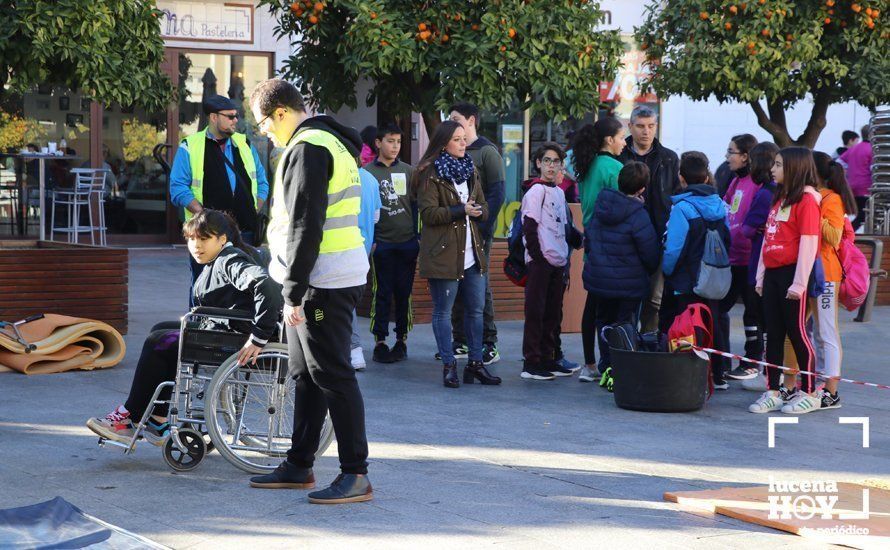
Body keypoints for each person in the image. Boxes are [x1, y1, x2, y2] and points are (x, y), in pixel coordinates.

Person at [247, 78, 373, 504]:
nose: (263, 131)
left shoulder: (309, 148)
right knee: (306, 375)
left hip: (324, 282)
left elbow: (306, 225)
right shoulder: (327, 143)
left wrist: (293, 291)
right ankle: (299, 465)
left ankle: (356, 473)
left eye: (263, 122)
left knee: (332, 373)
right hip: (323, 276)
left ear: (281, 112)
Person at [86, 210, 281, 446]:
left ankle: (130, 416)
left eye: (204, 239)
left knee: (158, 341)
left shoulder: (229, 260)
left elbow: (265, 284)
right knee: (161, 331)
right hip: (225, 331)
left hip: (234, 339)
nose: (196, 246)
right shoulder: (230, 255)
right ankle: (158, 420)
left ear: (222, 239)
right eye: (191, 239)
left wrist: (259, 336)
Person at [415, 120, 500, 388]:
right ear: (443, 143)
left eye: (464, 139)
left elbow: (484, 206)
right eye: (458, 140)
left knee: (476, 310)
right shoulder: (430, 173)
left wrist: (477, 211)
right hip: (444, 254)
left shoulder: (470, 169)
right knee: (444, 312)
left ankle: (475, 364)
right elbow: (428, 214)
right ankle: (449, 365)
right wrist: (460, 210)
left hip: (472, 253)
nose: (464, 144)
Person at [169, 94, 270, 306]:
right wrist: (204, 215)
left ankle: (240, 331)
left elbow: (262, 183)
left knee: (245, 286)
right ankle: (199, 328)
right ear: (214, 117)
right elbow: (177, 187)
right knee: (204, 284)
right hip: (207, 233)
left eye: (237, 116)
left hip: (244, 231)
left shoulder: (245, 144)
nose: (236, 120)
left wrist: (253, 208)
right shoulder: (191, 145)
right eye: (230, 116)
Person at [749, 147, 822, 414]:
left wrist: (800, 282)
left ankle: (811, 392)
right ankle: (773, 390)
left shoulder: (807, 200)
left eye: (778, 165)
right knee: (774, 334)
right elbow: (768, 238)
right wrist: (760, 275)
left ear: (793, 168)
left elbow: (809, 243)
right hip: (772, 275)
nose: (773, 169)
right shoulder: (778, 198)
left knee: (798, 333)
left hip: (793, 275)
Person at [582, 162, 659, 384]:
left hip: (600, 280)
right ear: (642, 189)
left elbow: (590, 241)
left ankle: (606, 366)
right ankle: (619, 369)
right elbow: (650, 253)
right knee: (624, 324)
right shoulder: (639, 215)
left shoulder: (601, 205)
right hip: (629, 284)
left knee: (603, 322)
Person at [661, 151, 731, 390]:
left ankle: (689, 373)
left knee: (686, 324)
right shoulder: (721, 205)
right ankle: (718, 373)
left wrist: (667, 271)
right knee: (714, 321)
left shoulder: (682, 208)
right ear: (706, 176)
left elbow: (674, 249)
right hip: (714, 276)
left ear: (681, 178)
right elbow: (728, 239)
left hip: (687, 279)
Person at [448, 102, 504, 365]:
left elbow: (497, 192)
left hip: (479, 232)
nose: (452, 122)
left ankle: (488, 343)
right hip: (456, 232)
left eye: (456, 119)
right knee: (456, 284)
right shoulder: (451, 150)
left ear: (471, 120)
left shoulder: (487, 152)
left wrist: (482, 224)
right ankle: (460, 340)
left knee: (480, 287)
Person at [519, 143, 580, 380]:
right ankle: (532, 363)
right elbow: (529, 226)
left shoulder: (557, 191)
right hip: (541, 262)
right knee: (536, 312)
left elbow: (564, 227)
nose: (551, 166)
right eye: (547, 161)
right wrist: (537, 256)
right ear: (538, 164)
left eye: (556, 161)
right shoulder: (536, 191)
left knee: (552, 314)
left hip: (557, 261)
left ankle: (547, 358)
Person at [619, 106, 681, 334]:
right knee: (627, 300)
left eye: (651, 126)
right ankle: (627, 349)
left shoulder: (669, 158)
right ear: (630, 126)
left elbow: (675, 198)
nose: (646, 131)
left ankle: (648, 347)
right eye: (641, 126)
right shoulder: (620, 155)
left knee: (655, 301)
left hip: (658, 237)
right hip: (626, 239)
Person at [573, 117, 625, 381]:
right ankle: (610, 363)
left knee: (592, 303)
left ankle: (589, 364)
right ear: (609, 140)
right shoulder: (615, 167)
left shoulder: (588, 164)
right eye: (621, 137)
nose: (624, 142)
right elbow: (623, 205)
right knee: (611, 308)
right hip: (612, 242)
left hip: (592, 238)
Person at [363, 123, 418, 364]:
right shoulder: (367, 172)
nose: (395, 146)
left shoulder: (408, 171)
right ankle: (380, 341)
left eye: (398, 142)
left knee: (403, 292)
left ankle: (402, 340)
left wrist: (418, 237)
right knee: (381, 291)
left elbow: (417, 206)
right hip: (381, 243)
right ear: (378, 143)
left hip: (407, 243)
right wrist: (371, 241)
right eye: (390, 141)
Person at [812, 151, 858, 410]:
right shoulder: (818, 197)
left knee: (826, 332)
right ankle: (818, 383)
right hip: (812, 272)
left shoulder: (831, 199)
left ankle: (830, 390)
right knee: (816, 331)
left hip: (827, 273)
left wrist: (812, 214)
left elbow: (833, 236)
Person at [716, 134, 764, 382]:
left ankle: (753, 360)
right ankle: (721, 361)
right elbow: (726, 209)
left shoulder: (757, 184)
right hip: (731, 258)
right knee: (721, 308)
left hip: (750, 259)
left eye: (731, 151)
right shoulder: (736, 181)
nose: (727, 156)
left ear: (745, 156)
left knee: (752, 312)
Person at [735, 142, 780, 387]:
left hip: (760, 264)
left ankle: (762, 370)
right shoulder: (781, 191)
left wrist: (751, 229)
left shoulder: (764, 193)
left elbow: (747, 228)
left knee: (761, 319)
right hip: (773, 265)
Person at [350, 162, 382, 371]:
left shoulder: (341, 176)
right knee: (350, 300)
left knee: (342, 303)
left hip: (342, 249)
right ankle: (354, 350)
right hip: (364, 248)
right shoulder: (371, 179)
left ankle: (354, 348)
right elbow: (376, 217)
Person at [838, 125, 872, 231]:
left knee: (858, 215)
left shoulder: (854, 149)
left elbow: (839, 162)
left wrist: (848, 173)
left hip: (852, 187)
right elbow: (873, 168)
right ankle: (847, 233)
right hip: (867, 188)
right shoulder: (872, 149)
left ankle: (845, 232)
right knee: (865, 215)